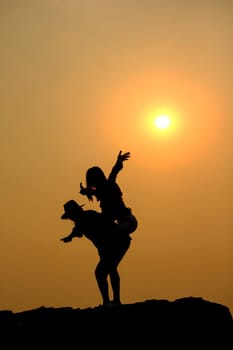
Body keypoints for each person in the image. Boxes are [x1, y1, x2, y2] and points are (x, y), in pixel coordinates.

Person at [60, 199, 131, 307]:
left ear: (75, 212)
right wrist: (70, 237)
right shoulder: (81, 222)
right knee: (108, 269)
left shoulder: (89, 216)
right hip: (112, 246)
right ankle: (110, 302)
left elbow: (106, 223)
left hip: (119, 242)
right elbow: (77, 231)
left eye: (70, 215)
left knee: (104, 271)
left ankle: (112, 301)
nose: (70, 218)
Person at [79, 150, 138, 237]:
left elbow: (114, 172)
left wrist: (119, 161)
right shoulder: (101, 191)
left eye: (92, 181)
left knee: (109, 233)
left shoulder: (109, 184)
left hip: (128, 222)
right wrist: (86, 191)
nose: (93, 185)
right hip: (122, 222)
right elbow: (95, 192)